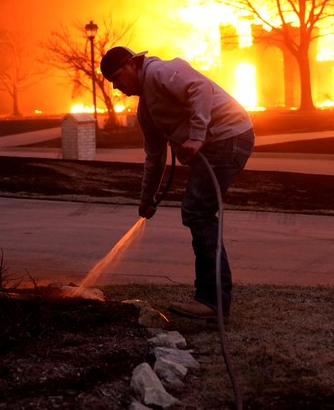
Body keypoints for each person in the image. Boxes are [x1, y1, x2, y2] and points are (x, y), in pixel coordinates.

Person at [100, 46, 254, 321]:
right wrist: (147, 199)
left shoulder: (160, 71)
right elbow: (155, 158)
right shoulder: (146, 111)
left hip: (228, 136)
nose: (117, 87)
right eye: (111, 83)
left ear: (133, 64)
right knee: (199, 212)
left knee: (198, 211)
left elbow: (200, 88)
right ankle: (213, 299)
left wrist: (196, 136)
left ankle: (213, 301)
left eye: (117, 77)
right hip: (218, 142)